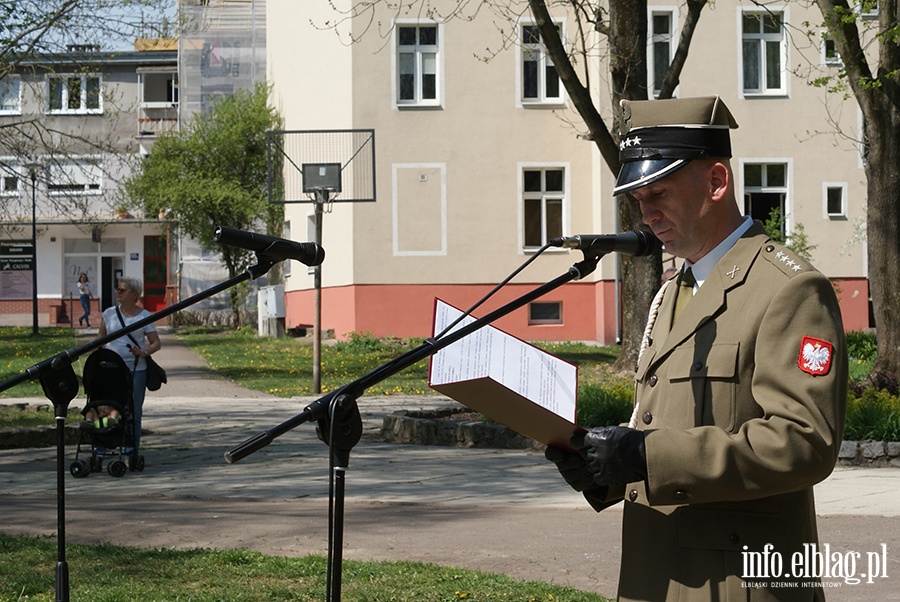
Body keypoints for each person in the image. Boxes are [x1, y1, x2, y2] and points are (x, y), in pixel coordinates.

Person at [545, 96, 847, 601]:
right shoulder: (674, 290)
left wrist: (646, 456)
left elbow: (804, 443)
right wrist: (608, 470)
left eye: (658, 193)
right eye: (638, 200)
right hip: (659, 573)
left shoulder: (787, 289)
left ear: (716, 182)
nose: (646, 213)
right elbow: (665, 424)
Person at [96, 277, 162, 457]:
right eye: (117, 289)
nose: (118, 292)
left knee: (134, 410)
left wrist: (143, 352)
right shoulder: (109, 314)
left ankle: (131, 449)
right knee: (106, 407)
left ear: (134, 294)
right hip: (110, 369)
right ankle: (102, 446)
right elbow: (100, 339)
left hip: (136, 369)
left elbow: (156, 343)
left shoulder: (144, 316)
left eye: (122, 290)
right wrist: (95, 355)